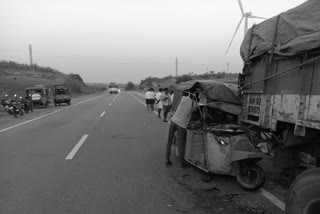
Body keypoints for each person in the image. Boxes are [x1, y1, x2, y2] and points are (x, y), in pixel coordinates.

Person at [165, 91, 199, 167]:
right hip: (182, 124)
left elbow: (177, 106)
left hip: (173, 120)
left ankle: (167, 159)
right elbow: (194, 113)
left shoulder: (183, 98)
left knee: (169, 140)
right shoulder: (196, 104)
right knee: (181, 144)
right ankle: (180, 162)